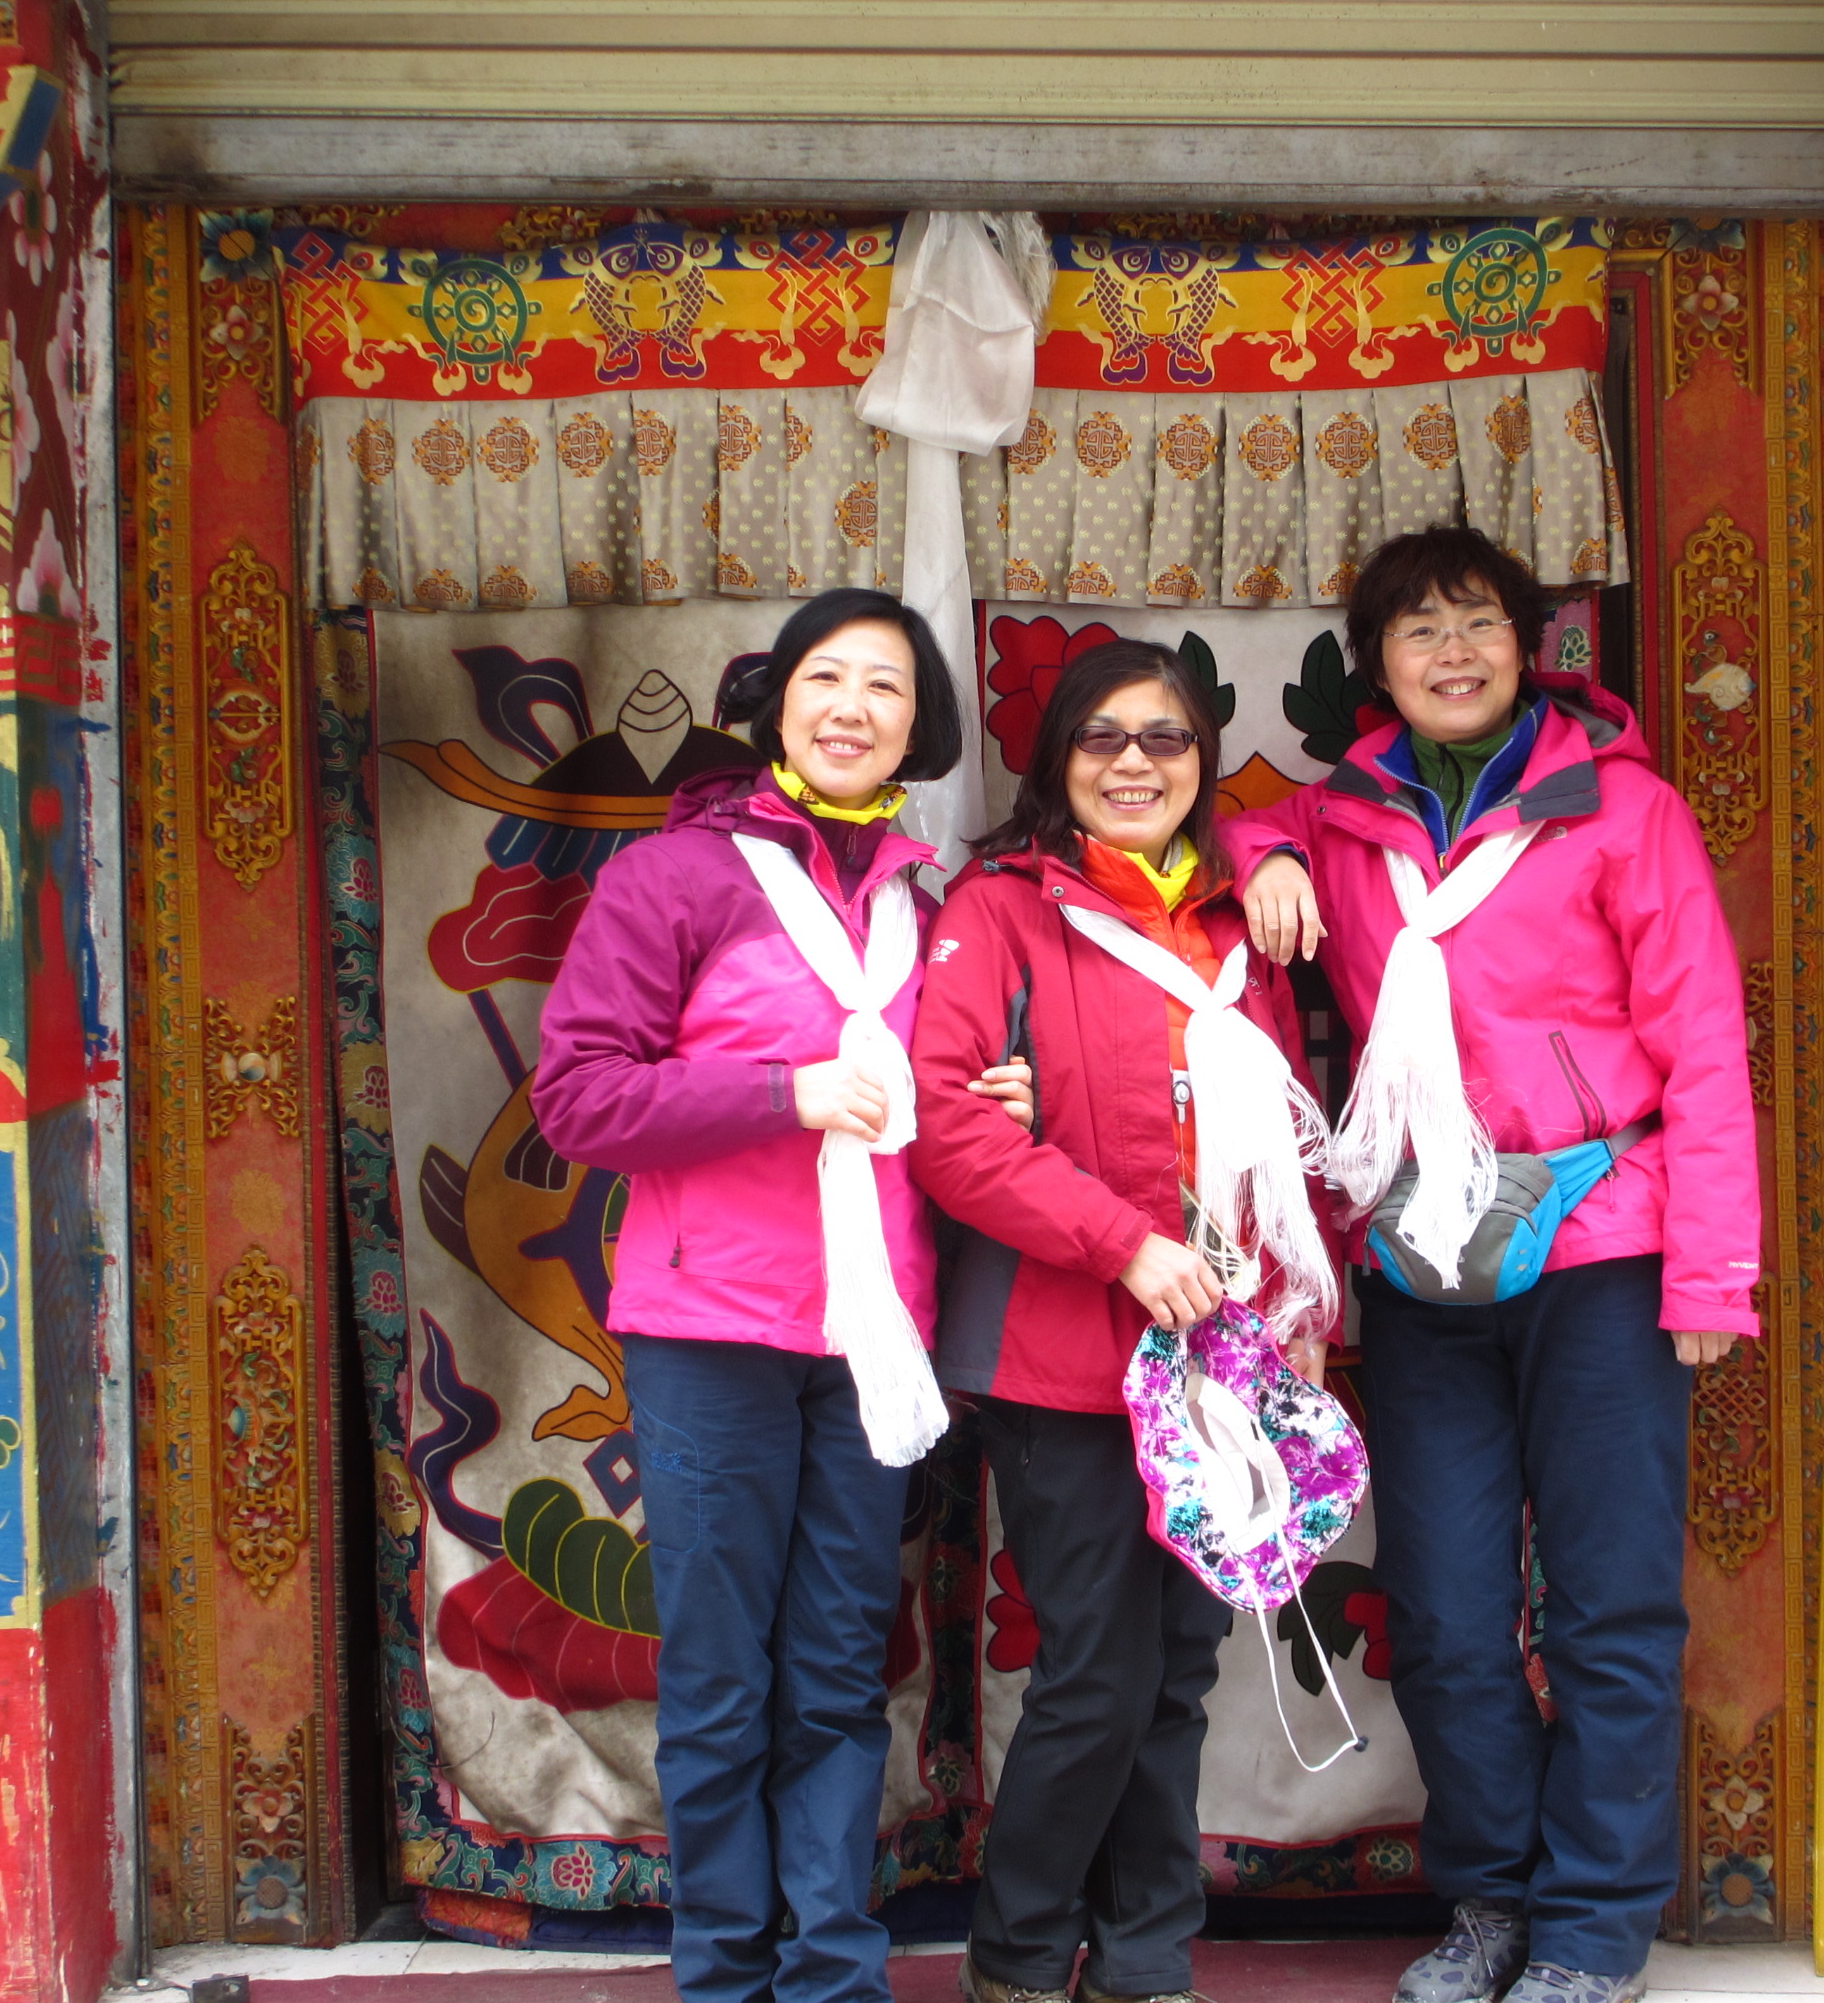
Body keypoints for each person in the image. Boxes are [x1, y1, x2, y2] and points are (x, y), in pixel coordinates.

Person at [1229, 527, 1760, 2003]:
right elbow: (1233, 839)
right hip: (1424, 1255)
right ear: (1377, 668)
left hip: (1606, 1238)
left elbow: (1704, 1044)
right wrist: (1267, 857)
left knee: (1608, 1608)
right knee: (1450, 1609)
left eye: (1478, 623)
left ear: (1530, 647)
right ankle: (1493, 1903)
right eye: (1418, 631)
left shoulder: (1622, 810)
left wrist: (1711, 1274)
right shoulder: (1344, 821)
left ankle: (1593, 1928)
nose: (1451, 653)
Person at [531, 588, 1031, 2003]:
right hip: (712, 1330)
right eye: (826, 678)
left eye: (886, 686)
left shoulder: (928, 906)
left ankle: (830, 1972)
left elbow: (932, 1113)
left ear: (920, 728)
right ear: (775, 705)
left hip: (871, 1334)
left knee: (836, 1671)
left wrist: (988, 1102)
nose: (853, 707)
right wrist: (783, 1093)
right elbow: (578, 1097)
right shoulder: (677, 879)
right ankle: (724, 1972)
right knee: (719, 1676)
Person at [910, 638, 1337, 2003]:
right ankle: (1021, 1955)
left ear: (1204, 759)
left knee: (1180, 1674)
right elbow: (949, 1126)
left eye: (1164, 738)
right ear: (1058, 762)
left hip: (1220, 1360)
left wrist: (1300, 1299)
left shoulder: (1236, 927)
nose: (1134, 762)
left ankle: (1148, 1958)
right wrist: (1123, 1245)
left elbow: (1279, 1141)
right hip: (1062, 1356)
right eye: (1102, 738)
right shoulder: (1001, 910)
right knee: (1098, 1670)